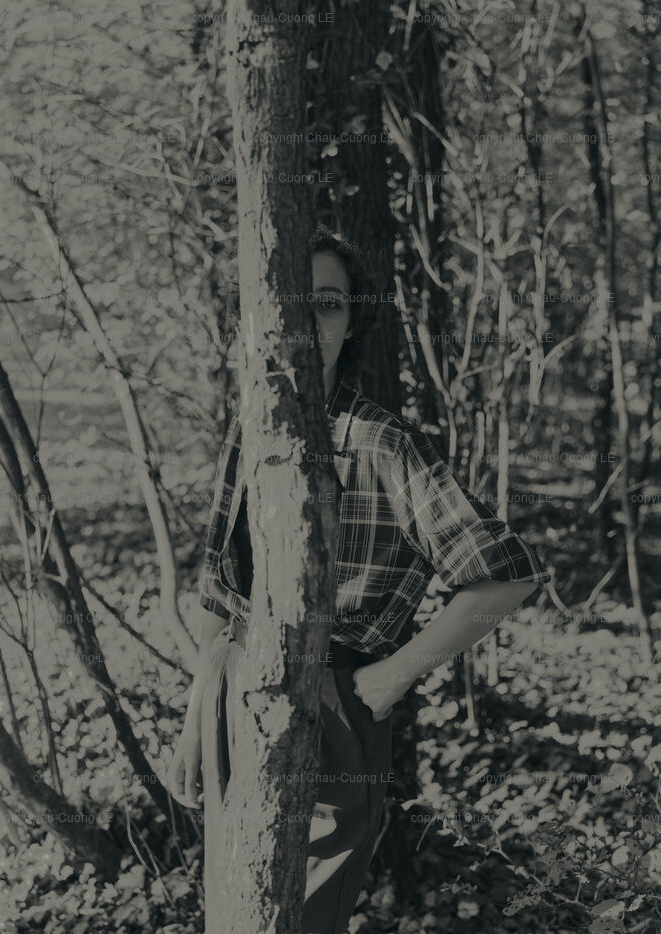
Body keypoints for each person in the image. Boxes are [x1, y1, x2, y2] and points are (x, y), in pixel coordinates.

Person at [168, 226, 551, 934]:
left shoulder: (382, 444)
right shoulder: (248, 430)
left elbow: (508, 576)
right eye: (290, 302)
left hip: (330, 704)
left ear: (351, 323)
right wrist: (198, 713)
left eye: (329, 303)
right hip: (232, 692)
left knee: (303, 918)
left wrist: (393, 675)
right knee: (236, 913)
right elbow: (218, 591)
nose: (308, 323)